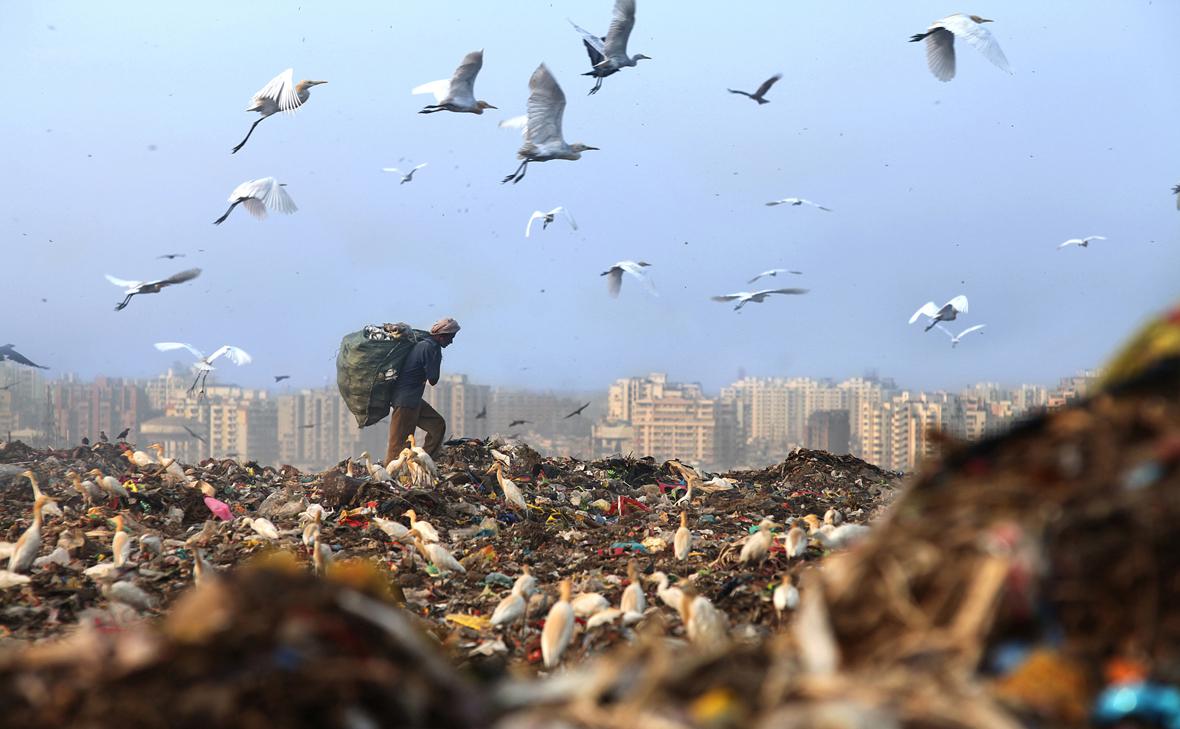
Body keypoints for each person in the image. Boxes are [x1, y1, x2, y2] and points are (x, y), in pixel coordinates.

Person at [385, 317, 460, 464]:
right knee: (399, 445)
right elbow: (433, 379)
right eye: (450, 337)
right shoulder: (431, 348)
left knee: (437, 425)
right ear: (441, 336)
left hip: (413, 400)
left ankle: (423, 463)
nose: (451, 342)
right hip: (405, 402)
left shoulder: (424, 344)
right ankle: (389, 478)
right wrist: (436, 360)